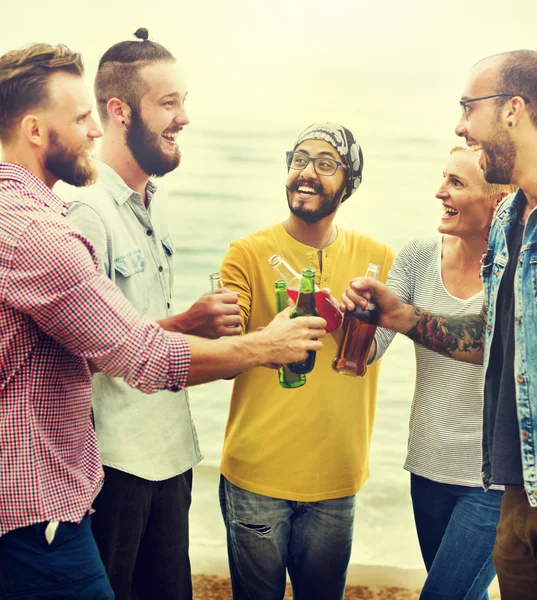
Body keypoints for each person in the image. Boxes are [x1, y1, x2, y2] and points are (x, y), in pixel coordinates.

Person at [0, 43, 325, 599]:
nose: (94, 131)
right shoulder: (45, 230)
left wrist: (184, 325)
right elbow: (139, 355)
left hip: (100, 477)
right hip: (41, 503)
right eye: (81, 118)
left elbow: (100, 338)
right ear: (34, 130)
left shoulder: (43, 213)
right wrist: (263, 347)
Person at [343, 50, 537, 600]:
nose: (460, 126)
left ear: (512, 109)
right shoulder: (512, 217)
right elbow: (493, 334)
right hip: (510, 488)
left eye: (468, 107)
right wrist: (401, 317)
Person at [65, 29, 240, 600]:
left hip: (170, 456)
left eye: (183, 101)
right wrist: (191, 325)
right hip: (114, 467)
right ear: (118, 111)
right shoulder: (84, 211)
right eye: (169, 103)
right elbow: (86, 353)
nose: (184, 117)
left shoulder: (153, 203)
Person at [218, 122, 395, 600]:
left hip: (337, 475)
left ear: (350, 180)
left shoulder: (378, 259)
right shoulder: (247, 254)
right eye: (299, 159)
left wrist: (354, 320)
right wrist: (261, 336)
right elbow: (224, 357)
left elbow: (377, 349)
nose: (307, 173)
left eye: (325, 163)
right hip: (256, 474)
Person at [372, 146, 515, 600]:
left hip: (490, 484)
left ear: (499, 199)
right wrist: (345, 315)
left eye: (457, 183)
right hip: (427, 468)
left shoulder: (518, 268)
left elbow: (497, 345)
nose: (440, 192)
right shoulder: (417, 256)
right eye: (443, 178)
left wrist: (402, 316)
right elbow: (370, 350)